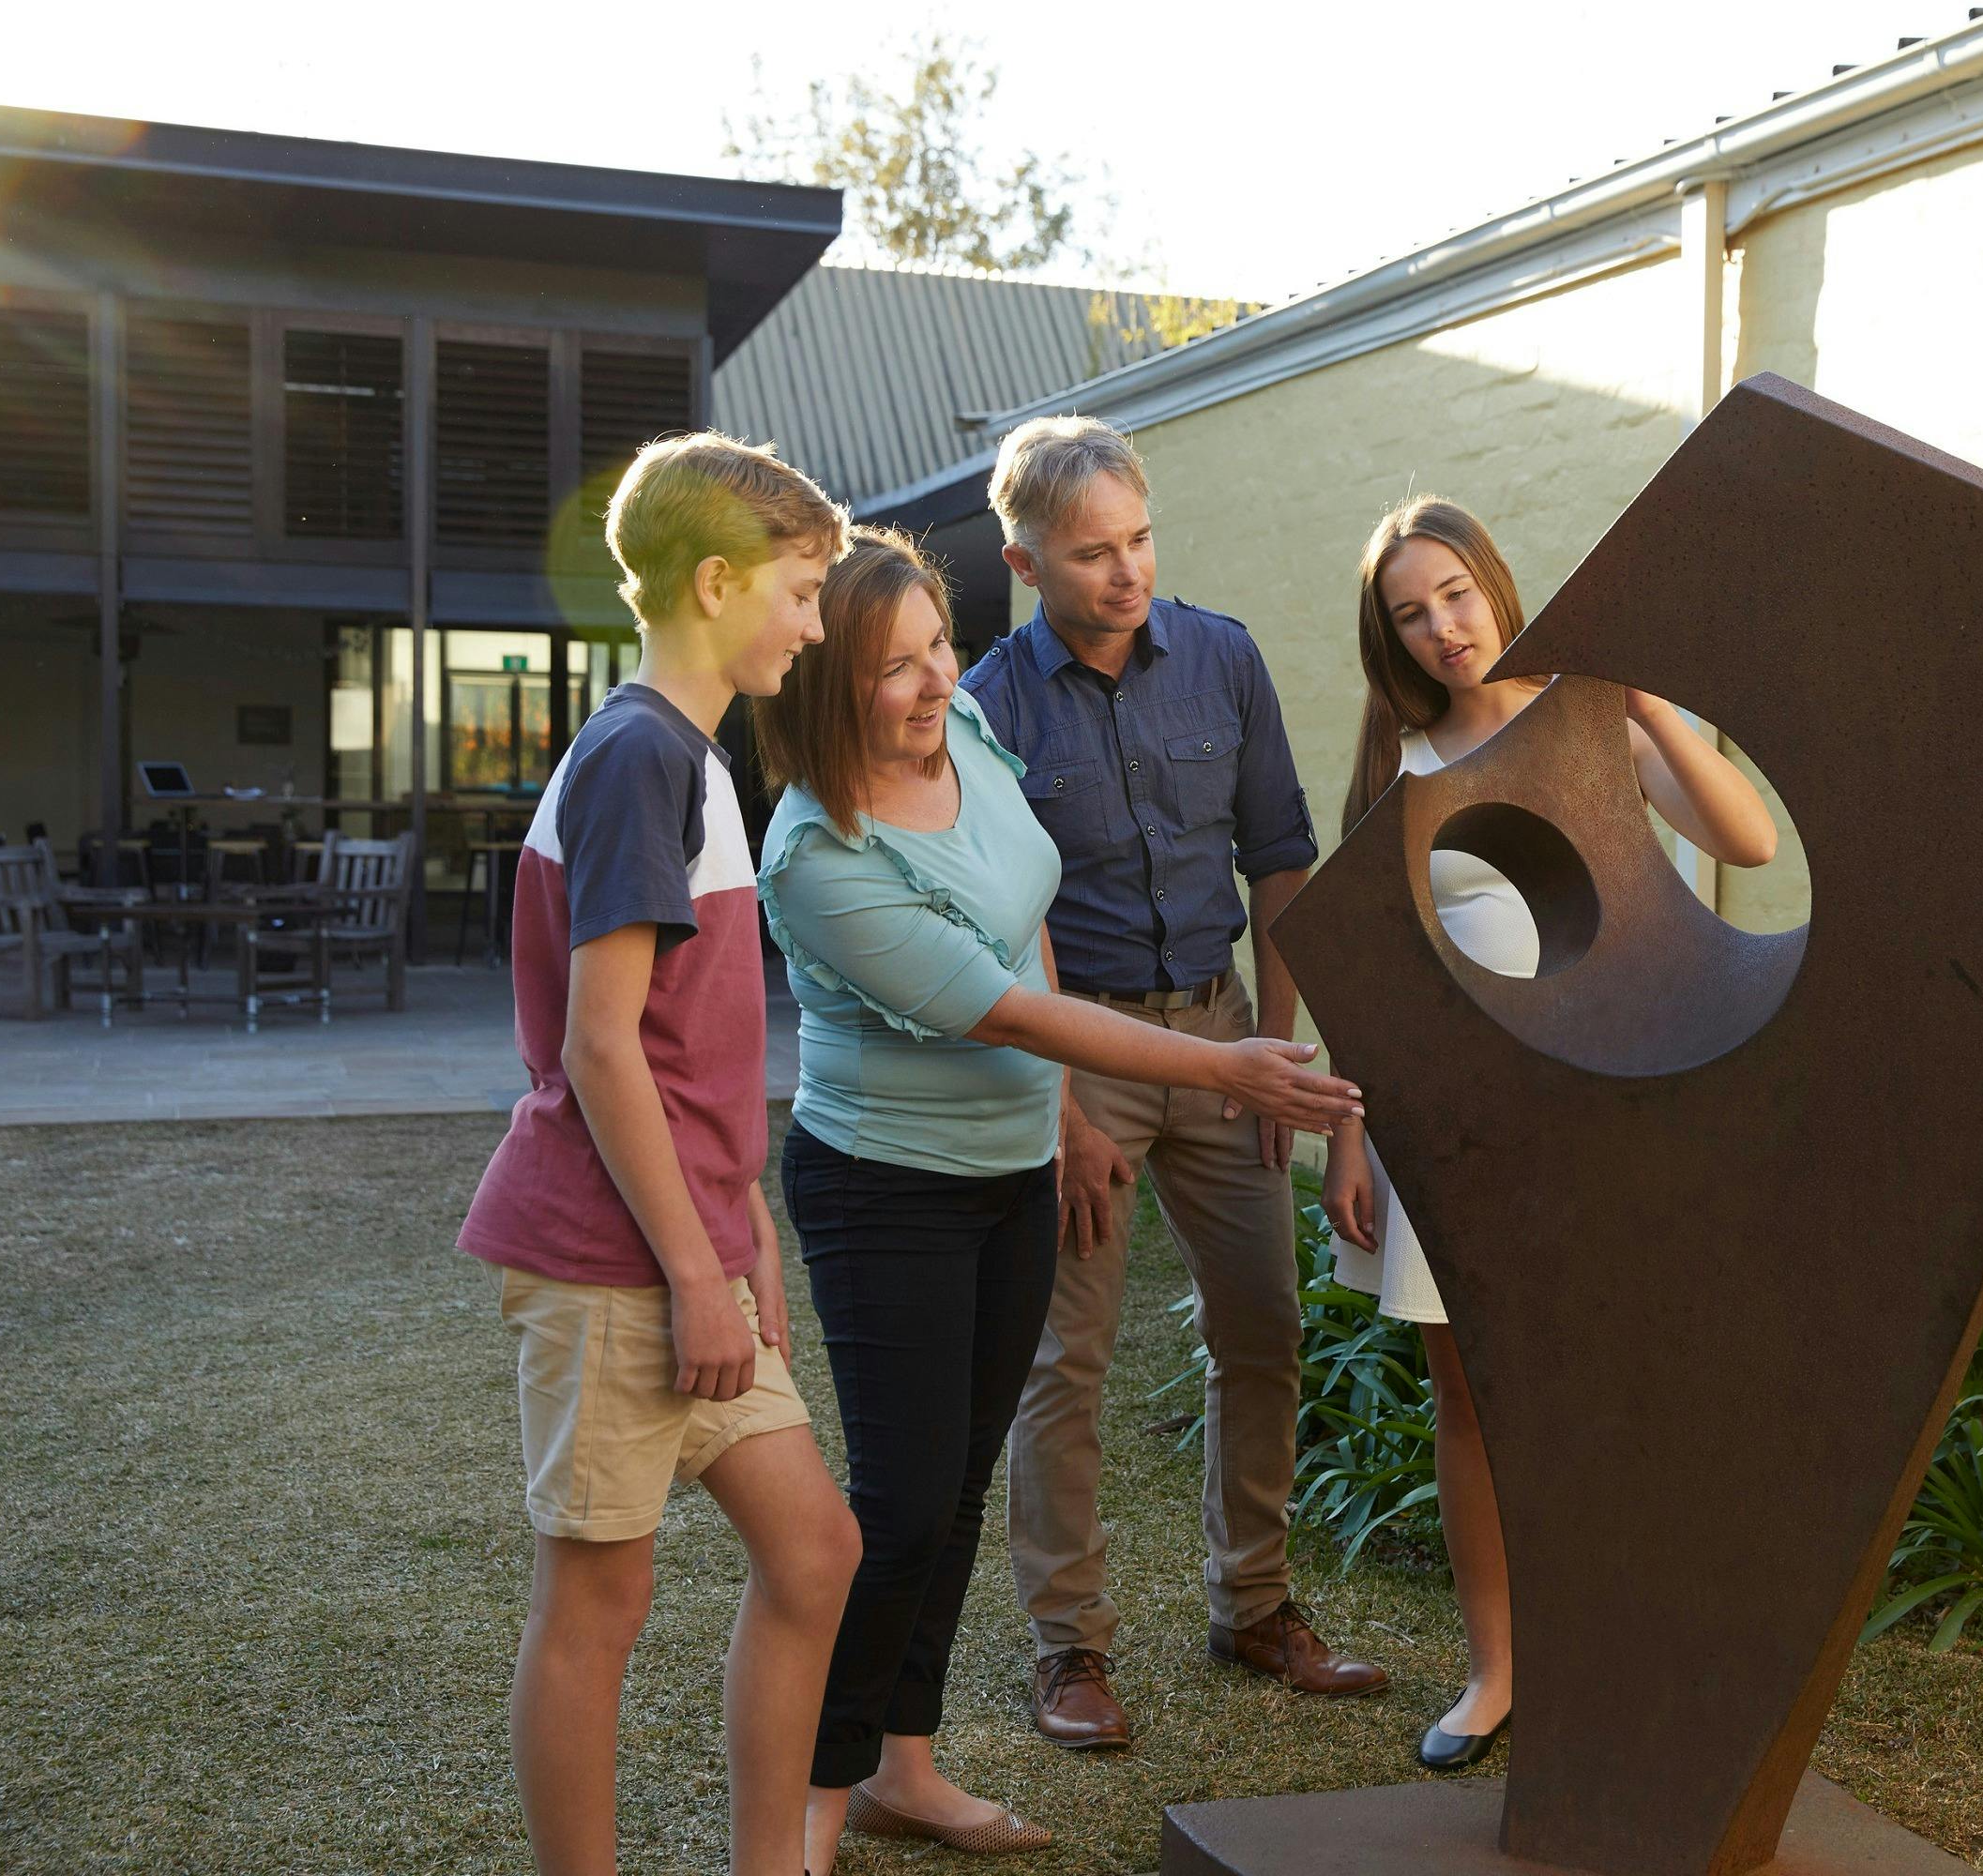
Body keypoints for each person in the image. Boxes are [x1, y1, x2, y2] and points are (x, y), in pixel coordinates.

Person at [756, 528, 1363, 1867]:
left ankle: (900, 1770)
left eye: (938, 647)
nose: (933, 682)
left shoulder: (966, 728)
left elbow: (1025, 892)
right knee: (903, 1501)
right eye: (892, 668)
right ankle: (810, 1802)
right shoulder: (815, 858)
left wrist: (1065, 1123)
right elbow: (1014, 1015)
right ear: (822, 688)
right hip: (886, 1193)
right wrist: (1221, 1068)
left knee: (960, 1487)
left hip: (1006, 1178)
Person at [457, 431, 861, 1876]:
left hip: (697, 1250)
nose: (816, 625)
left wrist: (744, 1226)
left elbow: (692, 1049)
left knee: (816, 1553)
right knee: (599, 1604)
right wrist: (696, 1268)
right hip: (617, 1263)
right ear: (715, 580)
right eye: (804, 591)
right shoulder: (642, 757)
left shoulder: (686, 759)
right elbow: (601, 1044)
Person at [1321, 496, 1779, 1769]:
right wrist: (1352, 1137)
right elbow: (1377, 969)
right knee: (1467, 1394)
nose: (1441, 630)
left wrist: (1646, 707)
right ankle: (1496, 1672)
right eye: (1410, 615)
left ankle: (1633, 1652)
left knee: (1625, 1376)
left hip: (1610, 1095)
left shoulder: (1589, 716)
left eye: (1455, 595)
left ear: (1496, 585)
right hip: (1455, 1120)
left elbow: (1745, 839)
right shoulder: (1397, 758)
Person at [961, 416, 1390, 1750]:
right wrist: (1064, 1105)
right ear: (1026, 563)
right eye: (1093, 554)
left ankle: (1253, 1606)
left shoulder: (1223, 659)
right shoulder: (987, 702)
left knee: (1263, 1328)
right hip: (1082, 1049)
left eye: (1140, 538)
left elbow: (1279, 856)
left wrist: (1279, 1047)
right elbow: (997, 914)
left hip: (1224, 1039)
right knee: (1064, 1361)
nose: (1127, 571)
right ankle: (1068, 1651)